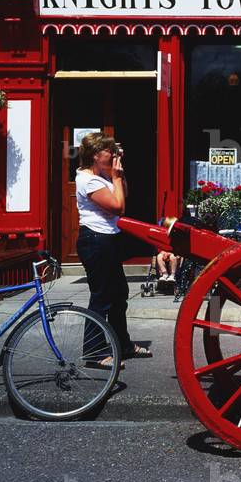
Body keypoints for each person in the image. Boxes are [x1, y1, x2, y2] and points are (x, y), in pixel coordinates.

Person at [75, 132, 151, 363]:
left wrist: (118, 175)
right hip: (95, 240)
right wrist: (116, 177)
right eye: (110, 151)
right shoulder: (88, 180)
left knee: (119, 294)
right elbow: (118, 207)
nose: (114, 154)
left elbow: (123, 195)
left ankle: (121, 345)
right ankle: (94, 351)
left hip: (107, 239)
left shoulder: (101, 175)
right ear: (97, 155)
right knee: (102, 297)